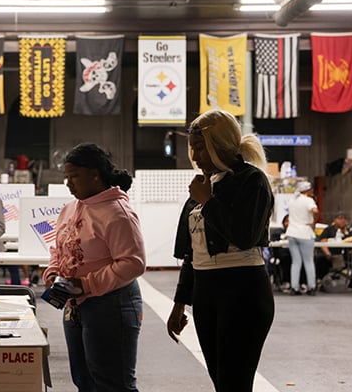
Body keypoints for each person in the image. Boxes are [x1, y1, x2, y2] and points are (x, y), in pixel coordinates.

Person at [166, 109, 275, 392]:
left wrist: (208, 202)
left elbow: (246, 235)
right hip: (206, 292)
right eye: (193, 148)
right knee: (221, 381)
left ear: (220, 145)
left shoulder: (252, 181)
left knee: (234, 383)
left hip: (243, 291)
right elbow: (192, 252)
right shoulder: (202, 187)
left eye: (200, 148)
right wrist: (180, 303)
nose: (195, 156)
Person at [42, 143, 146, 392]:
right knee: (84, 380)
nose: (69, 183)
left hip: (111, 305)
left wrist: (87, 284)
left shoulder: (117, 213)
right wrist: (53, 272)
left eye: (74, 176)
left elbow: (133, 262)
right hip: (75, 305)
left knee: (113, 384)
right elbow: (59, 247)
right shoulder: (70, 208)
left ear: (95, 174)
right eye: (67, 177)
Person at [285, 181, 319, 295]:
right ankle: (311, 287)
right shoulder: (308, 200)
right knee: (308, 261)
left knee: (295, 262)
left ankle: (294, 287)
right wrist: (314, 223)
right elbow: (315, 211)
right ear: (307, 190)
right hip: (305, 233)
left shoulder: (292, 200)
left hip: (292, 233)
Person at [315, 212, 351, 280]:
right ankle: (321, 279)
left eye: (344, 218)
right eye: (340, 218)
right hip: (330, 253)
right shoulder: (328, 230)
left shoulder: (349, 231)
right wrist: (327, 253)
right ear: (335, 220)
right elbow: (323, 242)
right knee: (321, 259)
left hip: (344, 255)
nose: (343, 220)